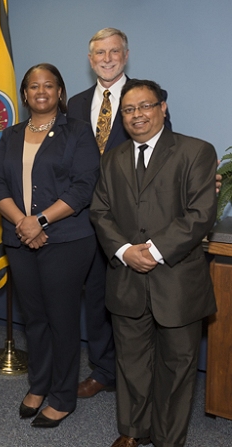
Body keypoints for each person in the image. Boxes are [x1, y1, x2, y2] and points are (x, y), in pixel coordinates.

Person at [90, 79, 217, 447]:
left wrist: (154, 251)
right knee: (131, 362)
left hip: (177, 282)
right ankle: (132, 430)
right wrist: (125, 251)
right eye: (129, 110)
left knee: (177, 367)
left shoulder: (196, 152)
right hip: (126, 278)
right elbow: (100, 211)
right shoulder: (112, 158)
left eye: (145, 106)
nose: (137, 115)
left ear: (163, 107)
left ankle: (168, 438)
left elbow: (200, 214)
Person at [0, 63, 100, 427]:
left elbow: (83, 188)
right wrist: (23, 223)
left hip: (65, 240)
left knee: (61, 320)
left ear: (60, 92)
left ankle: (64, 396)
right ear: (24, 94)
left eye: (49, 85)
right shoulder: (11, 135)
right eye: (33, 86)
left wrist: (41, 221)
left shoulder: (79, 133)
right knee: (34, 318)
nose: (41, 91)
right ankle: (39, 384)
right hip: (19, 239)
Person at [67, 28, 172, 398]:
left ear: (125, 56)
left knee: (137, 305)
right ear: (90, 59)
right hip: (83, 219)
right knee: (96, 299)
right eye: (99, 52)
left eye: (114, 51)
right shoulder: (75, 104)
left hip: (134, 223)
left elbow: (165, 157)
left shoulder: (145, 98)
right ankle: (103, 369)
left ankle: (140, 376)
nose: (107, 58)